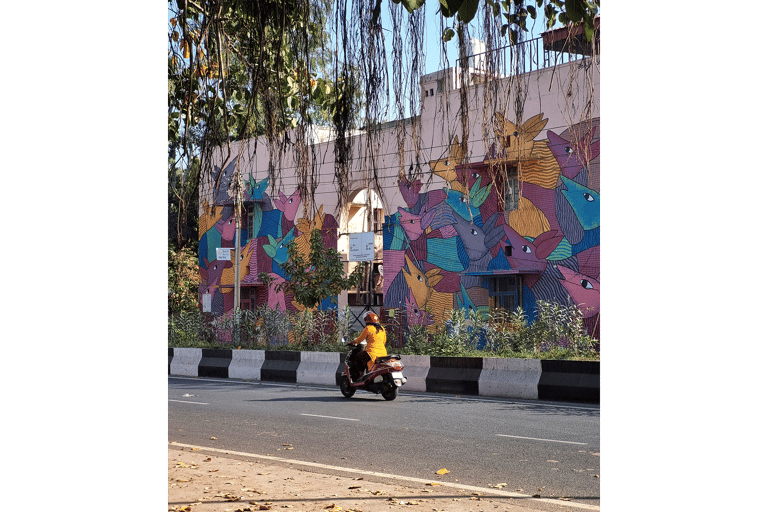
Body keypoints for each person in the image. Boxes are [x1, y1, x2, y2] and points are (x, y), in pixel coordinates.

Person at [349, 312, 387, 381]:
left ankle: (361, 375)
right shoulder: (382, 329)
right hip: (383, 354)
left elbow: (360, 339)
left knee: (358, 356)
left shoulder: (368, 328)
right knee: (364, 357)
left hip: (371, 353)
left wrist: (352, 342)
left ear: (367, 320)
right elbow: (384, 342)